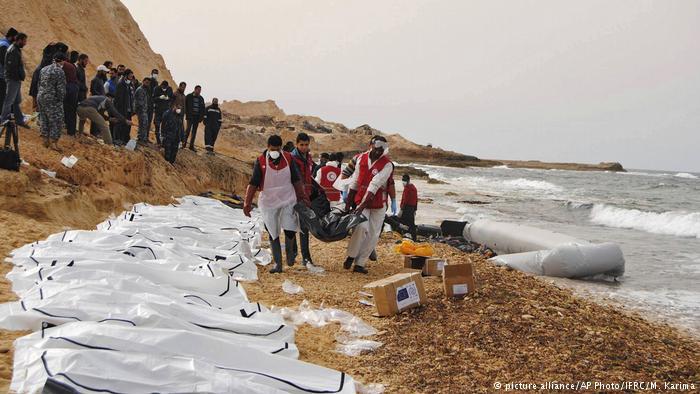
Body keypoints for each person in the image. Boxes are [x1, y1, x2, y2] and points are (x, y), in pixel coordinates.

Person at [243, 135, 310, 273]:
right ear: (268, 147)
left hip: (287, 197)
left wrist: (302, 197)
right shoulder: (261, 161)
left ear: (281, 148)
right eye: (273, 149)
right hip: (269, 201)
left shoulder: (288, 158)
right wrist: (247, 203)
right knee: (273, 232)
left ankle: (290, 255)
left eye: (278, 149)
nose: (275, 151)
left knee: (290, 227)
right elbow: (253, 183)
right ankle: (278, 264)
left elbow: (296, 179)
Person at [343, 136, 393, 274]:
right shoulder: (360, 159)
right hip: (361, 199)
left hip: (377, 203)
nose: (378, 153)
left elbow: (375, 184)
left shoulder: (387, 165)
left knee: (372, 234)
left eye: (381, 150)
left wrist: (361, 206)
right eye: (376, 149)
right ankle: (351, 255)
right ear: (370, 145)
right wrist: (348, 204)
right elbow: (355, 181)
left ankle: (360, 263)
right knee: (360, 227)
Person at [291, 132, 315, 266]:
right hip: (294, 196)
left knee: (304, 227)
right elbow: (295, 180)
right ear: (297, 144)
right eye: (301, 145)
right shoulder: (293, 159)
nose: (304, 147)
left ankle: (306, 257)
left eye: (306, 145)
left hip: (306, 196)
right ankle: (293, 254)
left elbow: (308, 176)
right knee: (292, 226)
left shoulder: (308, 158)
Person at [37, 52, 67, 150]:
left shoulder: (44, 69)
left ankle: (45, 141)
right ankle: (54, 143)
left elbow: (39, 83)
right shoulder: (59, 71)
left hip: (41, 96)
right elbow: (61, 89)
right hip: (52, 99)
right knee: (56, 120)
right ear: (62, 61)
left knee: (44, 118)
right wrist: (60, 100)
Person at [1, 32, 29, 127]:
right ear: (19, 40)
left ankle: (19, 119)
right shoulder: (13, 50)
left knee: (16, 101)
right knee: (9, 100)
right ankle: (3, 119)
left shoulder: (16, 49)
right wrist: (18, 76)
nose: (25, 43)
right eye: (24, 41)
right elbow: (11, 67)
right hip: (13, 79)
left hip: (16, 80)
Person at [0, 28, 18, 122]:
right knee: (2, 97)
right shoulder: (4, 45)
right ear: (11, 37)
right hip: (1, 76)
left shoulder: (3, 43)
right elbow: (4, 62)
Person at [113, 69, 134, 145]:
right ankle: (117, 139)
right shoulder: (121, 84)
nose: (131, 78)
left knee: (127, 125)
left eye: (131, 77)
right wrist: (117, 110)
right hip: (121, 109)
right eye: (129, 76)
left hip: (128, 109)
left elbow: (131, 97)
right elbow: (118, 99)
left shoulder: (130, 85)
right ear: (126, 76)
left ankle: (125, 140)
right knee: (120, 124)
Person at [62, 51, 79, 136]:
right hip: (73, 89)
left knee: (67, 109)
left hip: (68, 88)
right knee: (71, 111)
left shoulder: (65, 65)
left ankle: (69, 129)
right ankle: (71, 130)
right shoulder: (72, 66)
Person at [184, 85, 205, 150]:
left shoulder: (201, 98)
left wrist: (201, 118)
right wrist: (186, 113)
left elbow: (203, 109)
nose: (199, 91)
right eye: (198, 90)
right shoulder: (189, 96)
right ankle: (183, 143)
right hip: (190, 116)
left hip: (197, 117)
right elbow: (185, 105)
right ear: (195, 89)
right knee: (187, 130)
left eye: (200, 90)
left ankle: (191, 146)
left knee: (194, 132)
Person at [152, 80, 173, 146]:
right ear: (161, 85)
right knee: (157, 125)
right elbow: (153, 99)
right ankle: (158, 141)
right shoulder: (156, 88)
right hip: (158, 110)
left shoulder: (169, 89)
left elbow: (172, 98)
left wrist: (168, 98)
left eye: (165, 87)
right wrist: (159, 97)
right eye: (163, 87)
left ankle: (163, 142)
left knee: (165, 127)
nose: (164, 88)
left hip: (166, 111)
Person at [399, 174, 418, 241]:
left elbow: (405, 200)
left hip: (407, 208)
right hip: (412, 208)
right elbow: (416, 199)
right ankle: (413, 237)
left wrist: (401, 209)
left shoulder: (407, 188)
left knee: (403, 222)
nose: (403, 182)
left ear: (408, 180)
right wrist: (415, 209)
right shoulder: (414, 187)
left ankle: (405, 237)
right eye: (403, 180)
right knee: (411, 223)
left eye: (404, 180)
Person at [134, 77, 151, 144]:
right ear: (143, 81)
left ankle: (143, 139)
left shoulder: (144, 89)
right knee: (143, 124)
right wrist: (143, 110)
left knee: (144, 124)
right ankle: (141, 139)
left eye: (148, 83)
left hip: (144, 110)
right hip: (141, 110)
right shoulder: (140, 89)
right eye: (146, 82)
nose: (147, 84)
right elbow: (140, 102)